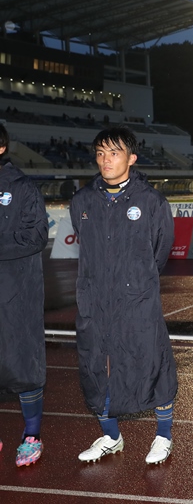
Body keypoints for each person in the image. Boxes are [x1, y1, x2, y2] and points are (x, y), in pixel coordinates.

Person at [69, 126, 177, 465]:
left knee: (153, 362)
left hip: (137, 301)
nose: (105, 160)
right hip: (95, 301)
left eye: (114, 153)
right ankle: (111, 436)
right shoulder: (82, 201)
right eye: (100, 153)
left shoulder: (151, 201)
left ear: (131, 158)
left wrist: (135, 282)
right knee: (96, 365)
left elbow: (160, 251)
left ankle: (163, 435)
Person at [0, 123, 48, 466]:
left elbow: (35, 237)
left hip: (16, 293)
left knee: (22, 364)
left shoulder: (22, 188)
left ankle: (32, 436)